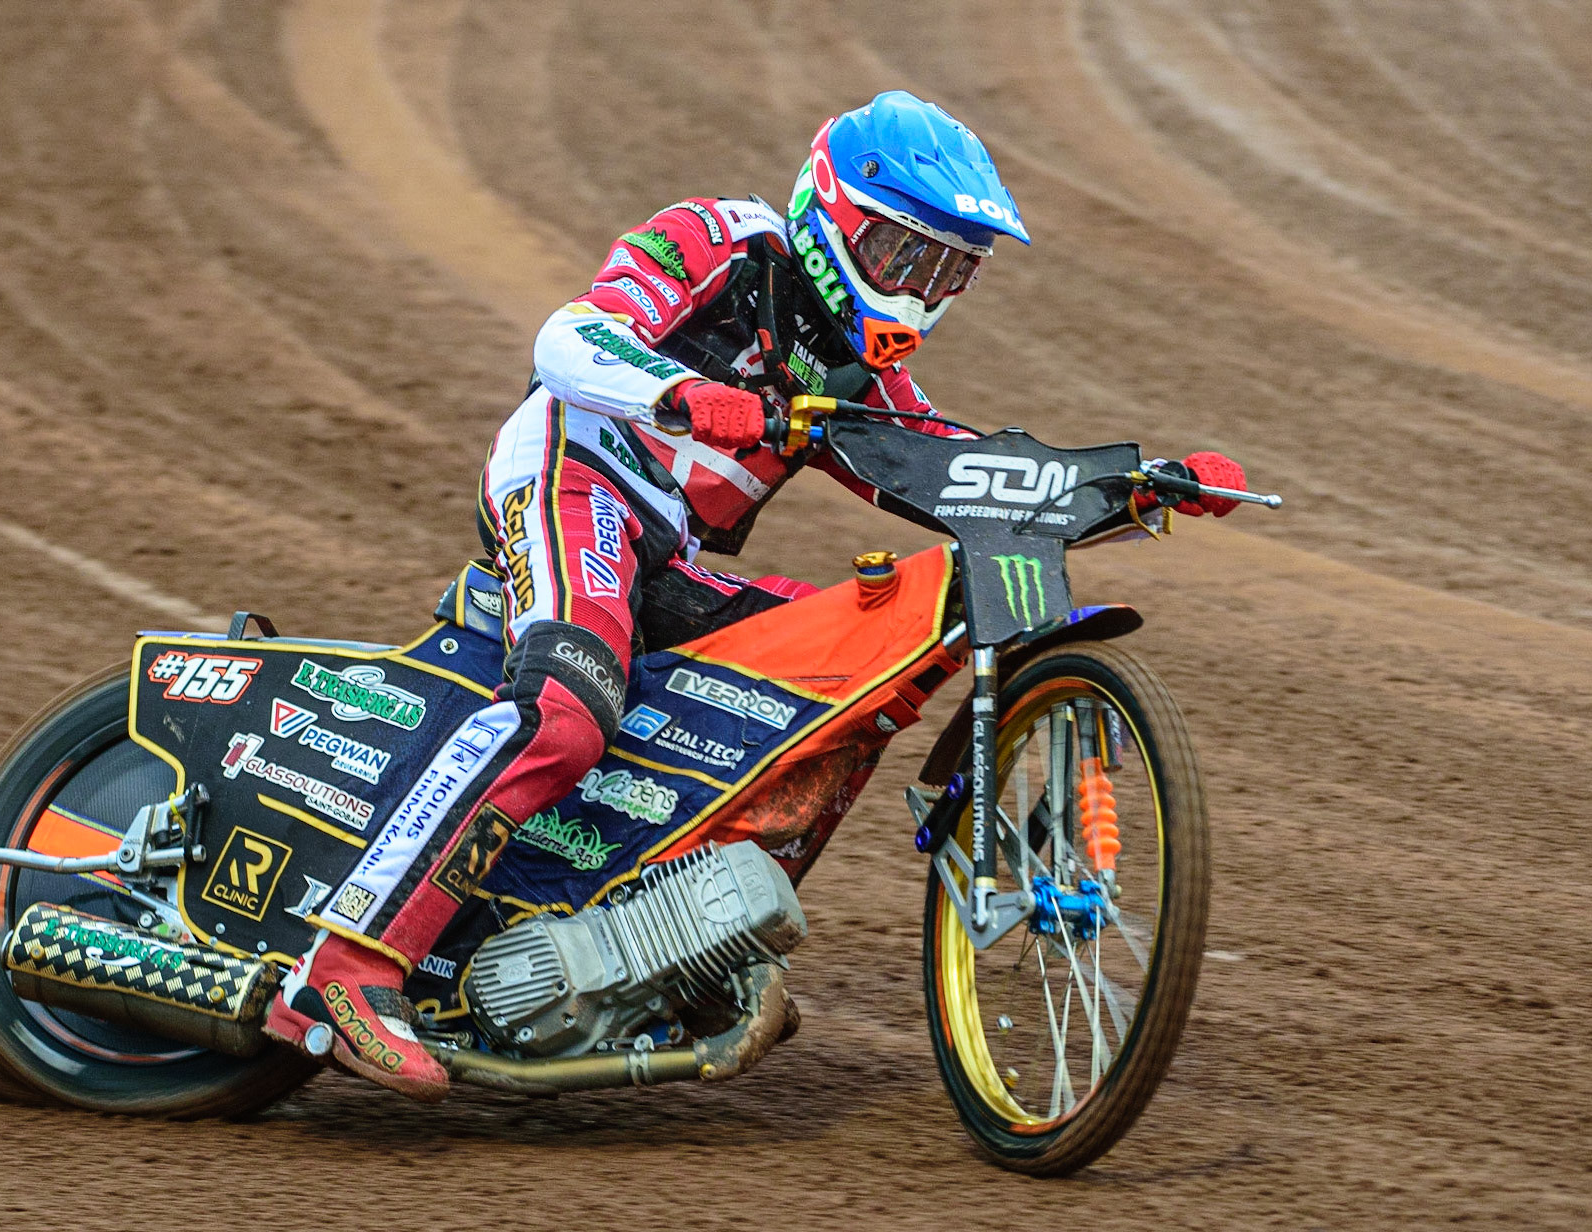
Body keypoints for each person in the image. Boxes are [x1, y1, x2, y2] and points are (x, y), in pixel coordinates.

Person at [263, 90, 1247, 1099]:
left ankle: (666, 939)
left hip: (670, 551)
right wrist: (682, 394)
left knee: (838, 688)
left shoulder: (859, 370)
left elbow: (954, 468)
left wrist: (1130, 489)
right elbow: (569, 337)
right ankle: (345, 966)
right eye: (907, 256)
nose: (922, 290)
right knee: (566, 708)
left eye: (949, 271)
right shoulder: (720, 240)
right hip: (576, 471)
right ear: (834, 215)